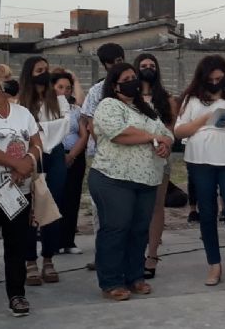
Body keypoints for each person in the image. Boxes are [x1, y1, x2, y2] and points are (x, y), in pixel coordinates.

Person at [88, 63, 173, 301]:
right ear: (115, 85)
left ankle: (135, 276)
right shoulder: (108, 105)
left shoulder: (145, 109)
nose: (133, 81)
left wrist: (165, 142)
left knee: (138, 230)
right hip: (113, 178)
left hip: (146, 180)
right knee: (116, 228)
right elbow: (120, 133)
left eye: (134, 77)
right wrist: (152, 137)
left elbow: (166, 132)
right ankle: (111, 281)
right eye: (127, 78)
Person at [175, 55, 225, 286]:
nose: (215, 82)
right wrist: (204, 119)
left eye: (219, 78)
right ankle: (214, 265)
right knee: (207, 213)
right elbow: (179, 131)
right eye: (210, 79)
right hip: (201, 158)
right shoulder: (191, 98)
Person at [18, 56, 70, 286]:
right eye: (39, 70)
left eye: (46, 70)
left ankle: (48, 258)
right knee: (29, 208)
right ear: (30, 73)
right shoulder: (20, 102)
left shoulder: (58, 100)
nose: (44, 73)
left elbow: (65, 124)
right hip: (28, 154)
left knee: (53, 205)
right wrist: (39, 132)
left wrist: (39, 130)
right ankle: (30, 261)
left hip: (53, 155)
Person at [0, 74, 42, 316]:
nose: (8, 81)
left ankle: (17, 295)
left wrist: (28, 161)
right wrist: (17, 164)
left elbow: (36, 142)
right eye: (2, 78)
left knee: (17, 245)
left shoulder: (22, 112)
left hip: (17, 190)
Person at [133, 53, 178, 280]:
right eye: (143, 65)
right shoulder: (129, 98)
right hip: (133, 158)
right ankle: (134, 255)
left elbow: (171, 129)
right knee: (134, 209)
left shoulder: (166, 99)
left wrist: (165, 144)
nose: (148, 68)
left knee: (156, 207)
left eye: (152, 65)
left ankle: (152, 255)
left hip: (160, 158)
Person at [81, 43, 125, 271]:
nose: (116, 66)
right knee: (102, 210)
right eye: (112, 63)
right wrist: (102, 145)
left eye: (120, 60)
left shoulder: (131, 87)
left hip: (128, 156)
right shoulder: (97, 90)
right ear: (105, 65)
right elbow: (88, 120)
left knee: (125, 210)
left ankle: (125, 256)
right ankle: (102, 257)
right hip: (103, 158)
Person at [51, 70, 89, 256]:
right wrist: (60, 156)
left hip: (75, 157)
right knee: (55, 198)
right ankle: (53, 240)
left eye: (68, 88)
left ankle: (68, 240)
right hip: (54, 156)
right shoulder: (46, 109)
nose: (64, 91)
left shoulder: (76, 110)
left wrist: (72, 155)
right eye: (60, 87)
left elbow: (83, 135)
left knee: (72, 198)